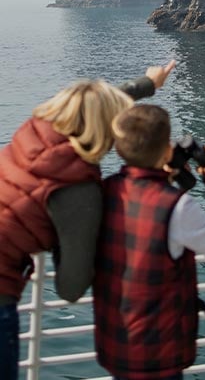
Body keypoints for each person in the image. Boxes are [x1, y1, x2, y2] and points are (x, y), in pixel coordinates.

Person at [0, 60, 175, 380]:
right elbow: (71, 287)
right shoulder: (78, 189)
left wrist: (148, 84)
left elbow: (90, 104)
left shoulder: (34, 132)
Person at [93, 103, 205, 380]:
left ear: (118, 148)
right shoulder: (176, 207)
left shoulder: (105, 191)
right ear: (166, 150)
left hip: (116, 345)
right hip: (158, 355)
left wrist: (165, 176)